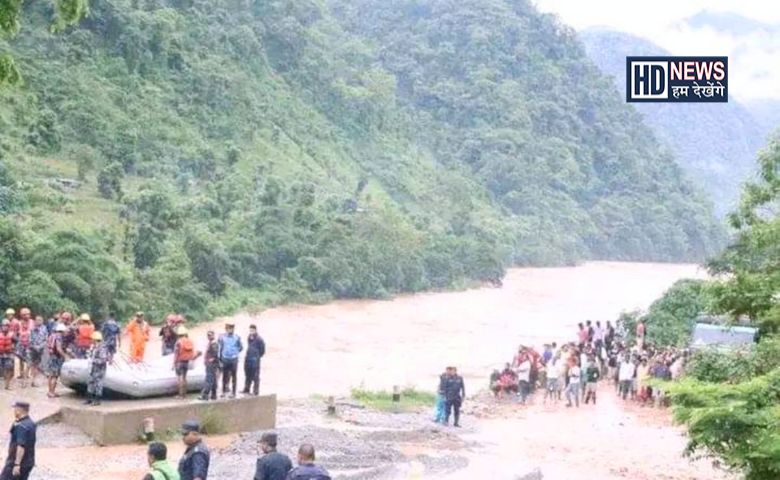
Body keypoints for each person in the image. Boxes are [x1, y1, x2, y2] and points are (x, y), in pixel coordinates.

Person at [0, 401, 36, 480]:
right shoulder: (30, 423)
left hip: (16, 462)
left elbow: (21, 446)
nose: (14, 411)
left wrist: (17, 464)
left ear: (19, 410)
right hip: (29, 461)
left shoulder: (21, 426)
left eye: (15, 409)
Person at [173, 327, 201, 399]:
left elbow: (176, 354)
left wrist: (174, 363)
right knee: (184, 378)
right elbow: (192, 354)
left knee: (179, 379)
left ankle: (180, 395)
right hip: (187, 362)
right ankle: (184, 394)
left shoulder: (178, 342)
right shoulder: (190, 341)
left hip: (179, 362)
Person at [86, 332, 111, 406]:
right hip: (93, 368)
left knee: (98, 384)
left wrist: (93, 360)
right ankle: (89, 399)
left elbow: (103, 360)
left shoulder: (102, 348)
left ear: (95, 339)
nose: (91, 340)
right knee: (91, 383)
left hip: (99, 369)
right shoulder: (94, 346)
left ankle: (97, 400)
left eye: (92, 339)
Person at [218, 323, 243, 398]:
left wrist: (235, 352)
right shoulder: (222, 337)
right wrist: (220, 357)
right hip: (225, 358)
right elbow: (220, 347)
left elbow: (241, 347)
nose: (230, 330)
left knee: (234, 376)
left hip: (233, 359)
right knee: (224, 376)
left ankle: (234, 392)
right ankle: (223, 391)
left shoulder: (237, 337)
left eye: (232, 328)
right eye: (229, 328)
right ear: (226, 329)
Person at [46, 324, 69, 398]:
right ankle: (52, 392)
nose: (66, 333)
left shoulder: (52, 335)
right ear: (62, 331)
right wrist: (65, 356)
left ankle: (50, 391)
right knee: (55, 376)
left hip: (51, 357)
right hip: (56, 358)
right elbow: (58, 348)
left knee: (50, 375)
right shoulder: (59, 337)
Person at [243, 325, 265, 396]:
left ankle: (256, 391)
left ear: (255, 330)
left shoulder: (259, 339)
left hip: (255, 360)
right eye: (250, 330)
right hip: (248, 358)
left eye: (252, 330)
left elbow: (262, 351)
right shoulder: (249, 337)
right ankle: (246, 389)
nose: (251, 332)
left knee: (255, 376)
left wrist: (257, 356)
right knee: (247, 374)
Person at [199, 331, 220, 401]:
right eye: (208, 335)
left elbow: (215, 353)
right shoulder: (211, 343)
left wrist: (210, 360)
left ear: (213, 335)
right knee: (213, 379)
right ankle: (214, 395)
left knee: (209, 379)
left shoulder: (214, 343)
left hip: (211, 364)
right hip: (212, 364)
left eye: (210, 335)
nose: (209, 336)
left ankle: (205, 394)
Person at [28, 316, 48, 388]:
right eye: (37, 320)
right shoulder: (32, 329)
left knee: (38, 365)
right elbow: (30, 339)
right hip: (33, 349)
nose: (39, 321)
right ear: (35, 321)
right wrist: (34, 346)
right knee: (31, 364)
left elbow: (46, 339)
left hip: (41, 349)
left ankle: (35, 381)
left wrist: (40, 346)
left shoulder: (45, 328)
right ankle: (31, 380)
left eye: (40, 320)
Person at [15, 308, 33, 386]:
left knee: (29, 361)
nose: (27, 316)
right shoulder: (18, 323)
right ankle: (22, 374)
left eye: (28, 314)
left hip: (30, 344)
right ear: (21, 315)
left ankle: (25, 376)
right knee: (21, 360)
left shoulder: (32, 322)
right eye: (25, 314)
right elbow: (15, 334)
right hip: (21, 344)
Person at [0, 321, 15, 391]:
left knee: (8, 369)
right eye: (3, 326)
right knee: (2, 370)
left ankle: (7, 385)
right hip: (0, 354)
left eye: (6, 326)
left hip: (9, 354)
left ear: (8, 327)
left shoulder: (12, 334)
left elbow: (17, 342)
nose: (4, 327)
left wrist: (13, 347)